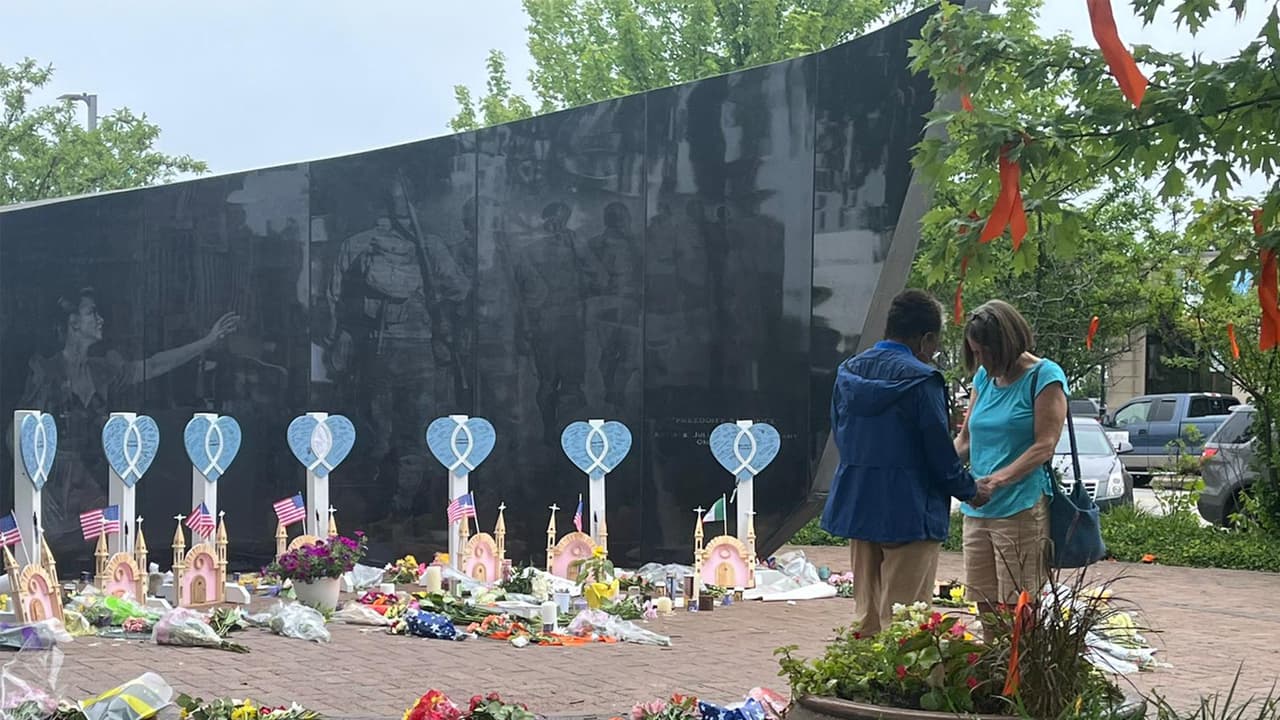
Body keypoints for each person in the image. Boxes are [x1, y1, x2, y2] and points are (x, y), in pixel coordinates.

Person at [820, 290, 986, 636]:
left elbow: (840, 433)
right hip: (911, 511)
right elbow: (939, 456)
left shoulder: (848, 372)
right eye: (936, 343)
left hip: (859, 505)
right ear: (926, 338)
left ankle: (857, 688)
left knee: (865, 618)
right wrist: (971, 490)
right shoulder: (923, 381)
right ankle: (900, 690)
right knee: (906, 624)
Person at [955, 300, 1068, 619]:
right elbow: (965, 440)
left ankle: (1019, 667)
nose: (980, 359)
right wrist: (937, 470)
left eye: (984, 352)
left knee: (1017, 605)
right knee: (984, 601)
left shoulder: (1044, 376)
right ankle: (993, 665)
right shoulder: (983, 379)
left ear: (1006, 344)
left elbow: (1045, 445)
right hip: (976, 509)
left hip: (1020, 508)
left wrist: (998, 480)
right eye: (975, 352)